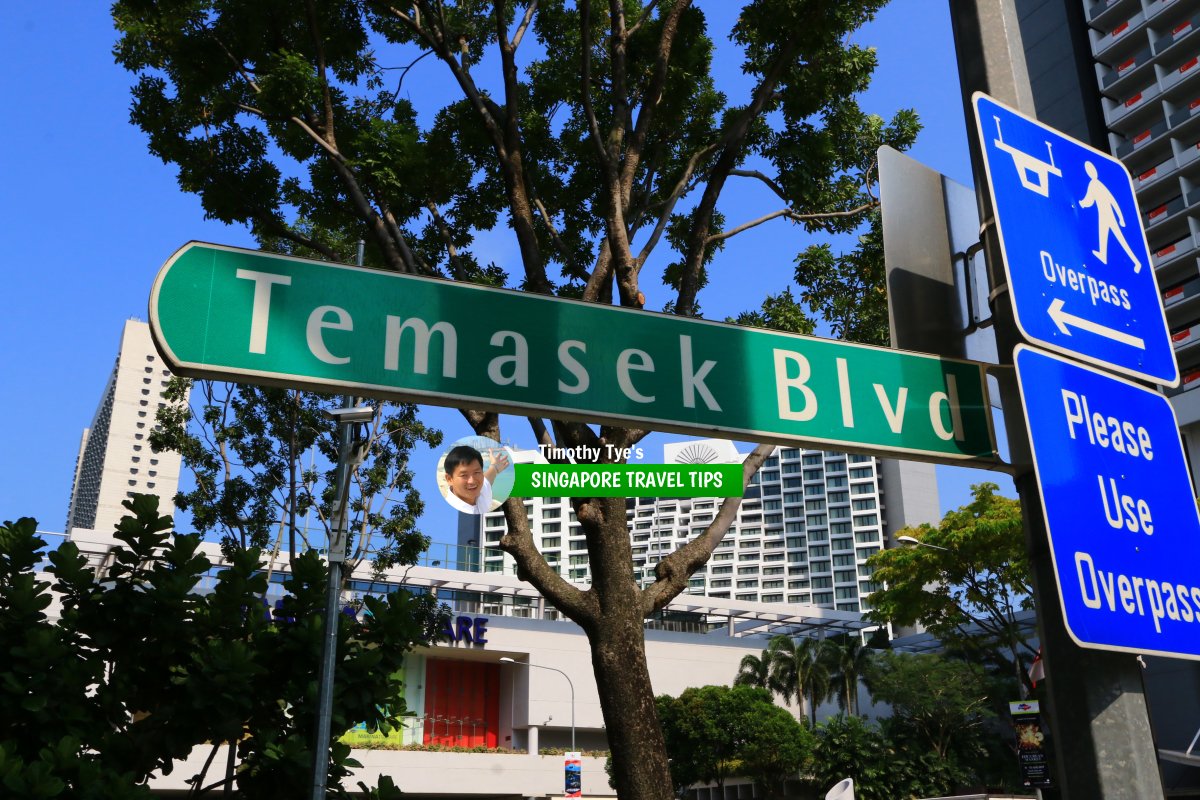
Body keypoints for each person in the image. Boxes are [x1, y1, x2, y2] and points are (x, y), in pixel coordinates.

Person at [1079, 160, 1142, 273]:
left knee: (1121, 239)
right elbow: (1094, 200)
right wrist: (1120, 217)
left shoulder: (1094, 184)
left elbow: (1092, 201)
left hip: (1106, 215)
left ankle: (1136, 262)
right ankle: (1103, 255)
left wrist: (1121, 218)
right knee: (1103, 235)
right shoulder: (1097, 184)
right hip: (1105, 215)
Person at [442, 444, 510, 515]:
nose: (472, 481)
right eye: (464, 475)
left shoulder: (481, 490)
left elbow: (487, 479)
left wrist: (495, 467)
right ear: (449, 479)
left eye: (476, 472)